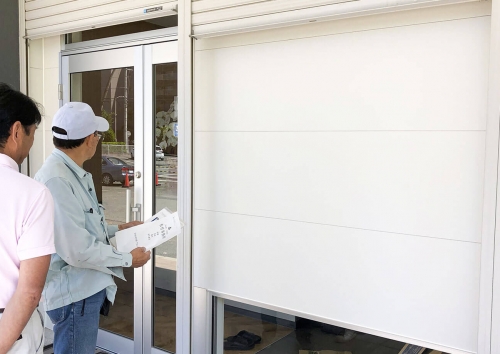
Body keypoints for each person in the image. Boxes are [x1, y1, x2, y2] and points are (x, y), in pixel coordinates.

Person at [35, 102, 151, 354]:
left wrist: (118, 228)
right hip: (75, 295)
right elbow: (76, 250)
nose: (98, 140)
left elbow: (80, 227)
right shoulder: (58, 180)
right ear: (89, 139)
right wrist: (127, 259)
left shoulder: (69, 173)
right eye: (97, 135)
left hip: (81, 293)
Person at [0, 83, 55, 354]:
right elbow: (30, 292)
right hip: (11, 331)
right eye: (32, 133)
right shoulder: (33, 194)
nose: (32, 143)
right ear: (17, 131)